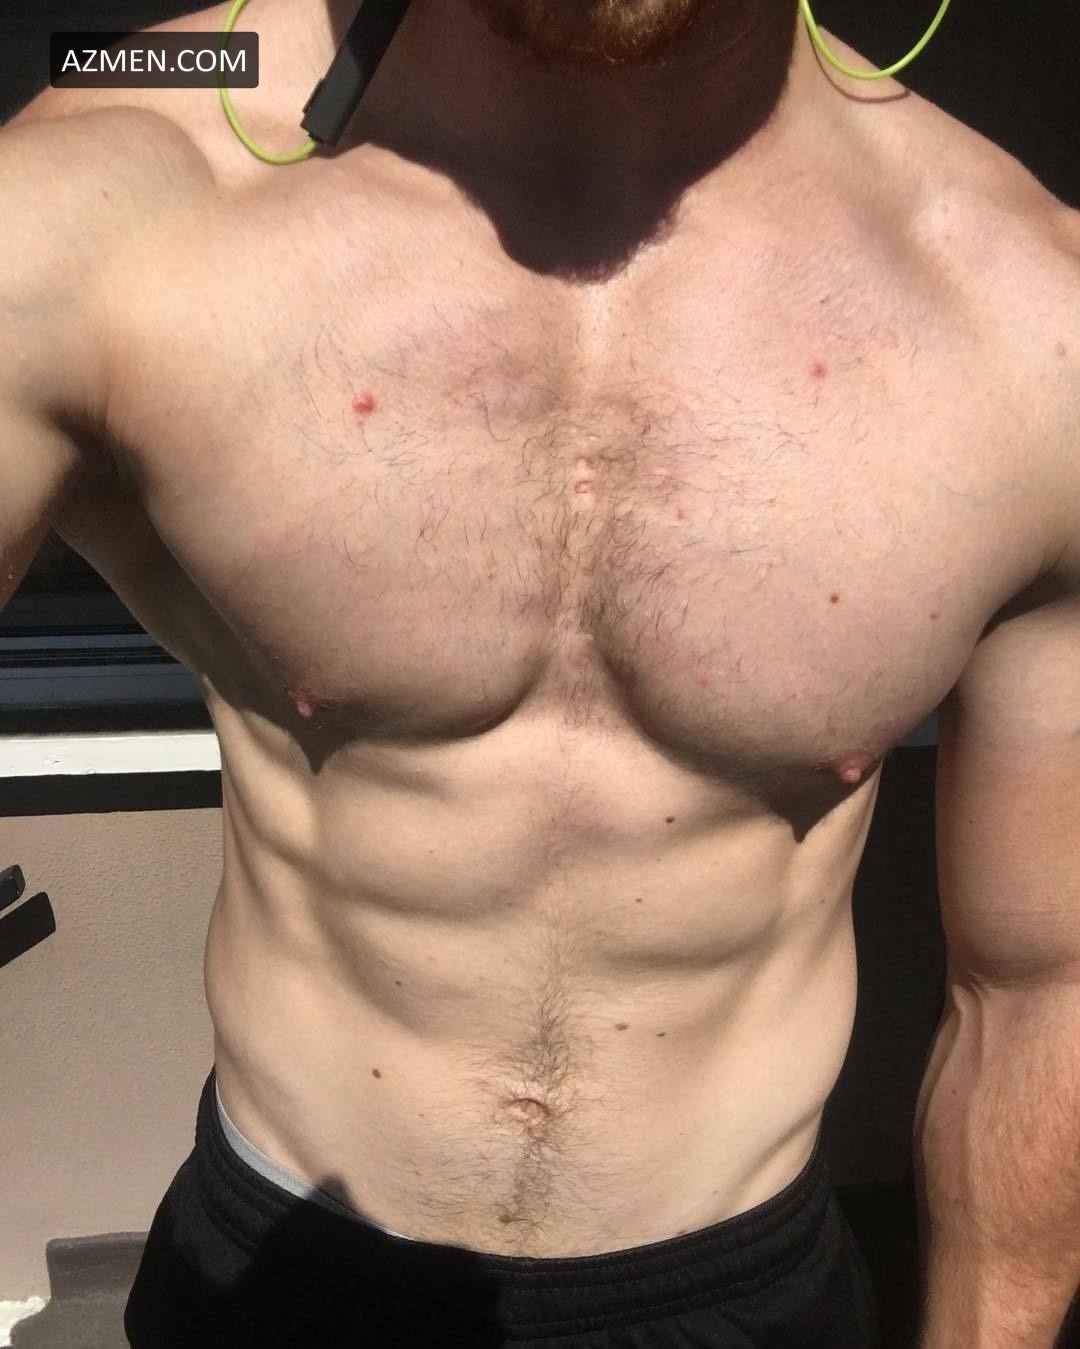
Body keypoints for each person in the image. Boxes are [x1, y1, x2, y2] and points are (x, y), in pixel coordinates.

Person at [3, 0, 1079, 1344]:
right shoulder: (107, 195)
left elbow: (1043, 989)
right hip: (283, 1278)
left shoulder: (1034, 322)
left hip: (745, 1293)